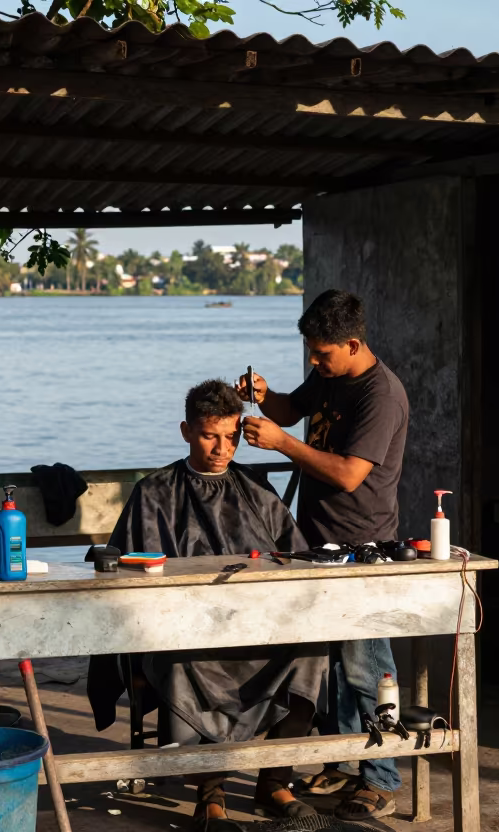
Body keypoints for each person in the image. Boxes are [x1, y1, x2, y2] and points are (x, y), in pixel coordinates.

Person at [85, 379, 327, 831]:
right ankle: (210, 791)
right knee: (183, 662)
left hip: (259, 627)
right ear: (186, 432)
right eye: (209, 435)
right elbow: (131, 576)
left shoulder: (257, 492)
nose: (222, 448)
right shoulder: (154, 493)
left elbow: (296, 561)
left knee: (313, 653)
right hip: (185, 630)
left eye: (231, 436)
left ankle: (275, 780)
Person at [237, 289, 410, 821]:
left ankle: (381, 777)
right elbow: (295, 407)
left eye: (322, 354)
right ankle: (341, 756)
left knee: (365, 664)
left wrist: (282, 444)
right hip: (317, 541)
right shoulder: (332, 375)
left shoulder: (380, 396)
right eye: (310, 352)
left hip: (363, 546)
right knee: (328, 665)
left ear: (353, 343)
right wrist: (266, 396)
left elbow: (348, 473)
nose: (315, 362)